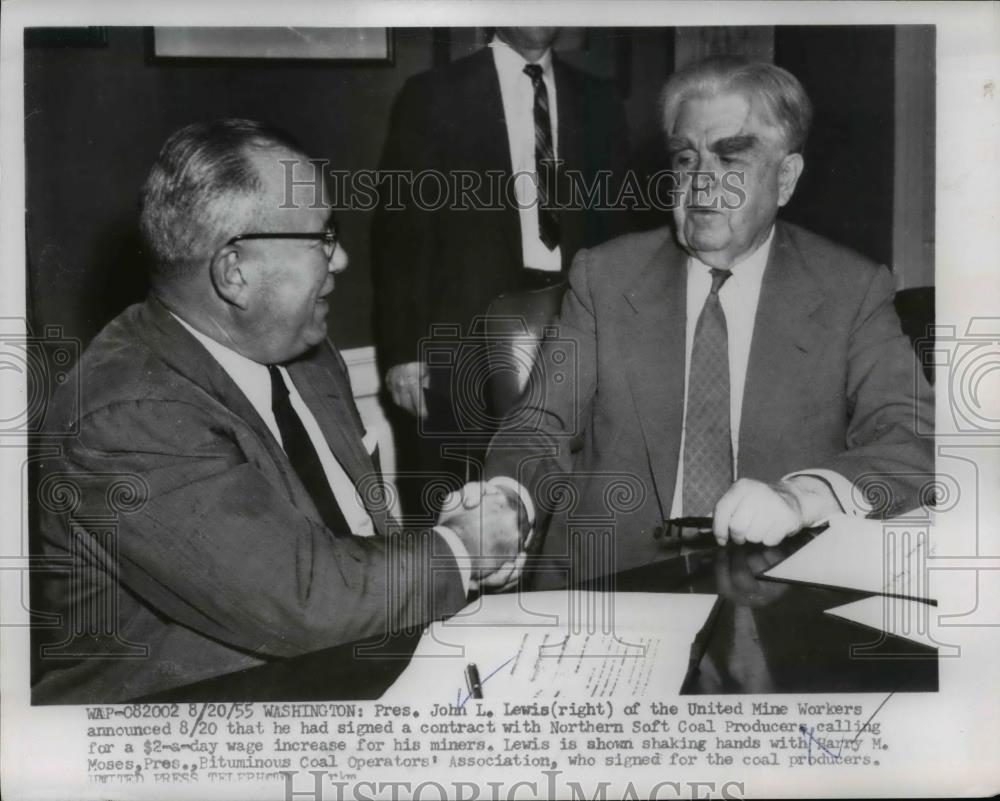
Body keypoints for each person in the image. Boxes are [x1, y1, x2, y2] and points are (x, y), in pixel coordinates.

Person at [32, 119, 522, 703]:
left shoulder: (306, 354)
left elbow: (352, 541)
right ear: (234, 272)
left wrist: (458, 541)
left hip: (357, 677)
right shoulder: (123, 417)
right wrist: (461, 550)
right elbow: (308, 602)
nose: (339, 261)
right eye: (322, 237)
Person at [484, 56, 935, 590]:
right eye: (685, 159)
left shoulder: (850, 289)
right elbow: (537, 427)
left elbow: (916, 442)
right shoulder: (605, 278)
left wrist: (800, 497)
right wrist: (503, 505)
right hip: (617, 582)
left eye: (731, 160)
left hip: (780, 585)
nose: (700, 184)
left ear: (786, 178)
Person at [372, 27, 632, 503]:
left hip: (572, 329)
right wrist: (402, 351)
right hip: (459, 341)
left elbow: (617, 230)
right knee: (454, 506)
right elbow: (399, 232)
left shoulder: (599, 99)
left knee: (561, 499)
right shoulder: (433, 95)